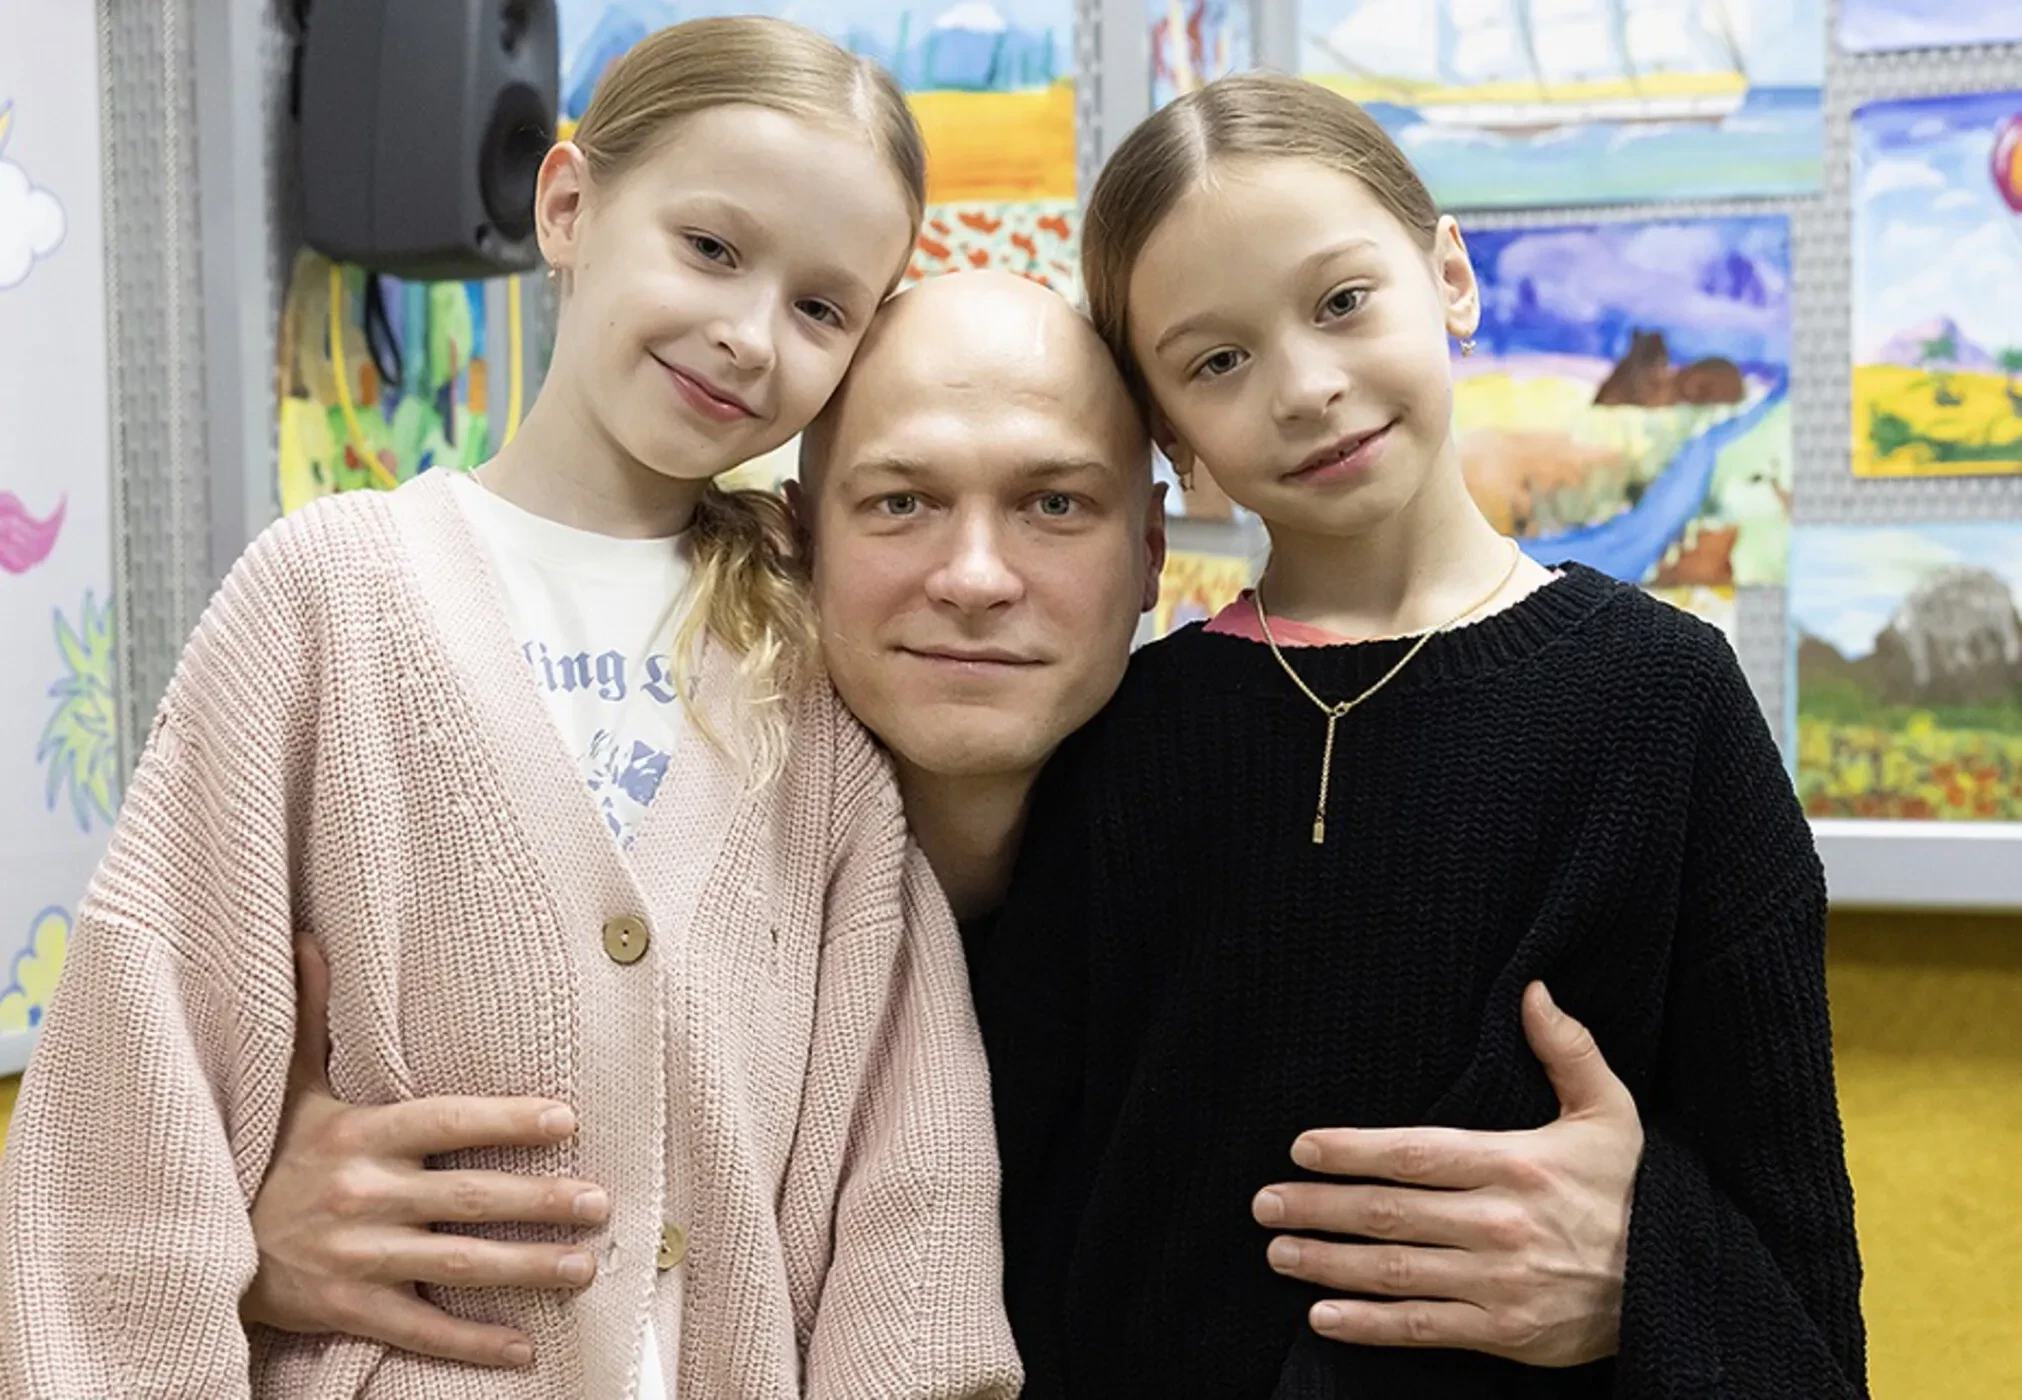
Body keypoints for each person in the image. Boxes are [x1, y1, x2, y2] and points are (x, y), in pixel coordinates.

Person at [237, 270, 1652, 1380]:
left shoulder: (1316, 841)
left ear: (1151, 551)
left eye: (1053, 504)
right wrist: (249, 1231)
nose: (975, 577)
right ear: (801, 537)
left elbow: (1742, 1232)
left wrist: (1643, 1270)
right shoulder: (564, 836)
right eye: (902, 501)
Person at [0, 19, 1021, 1398]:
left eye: (821, 309)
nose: (747, 333)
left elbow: (909, 1179)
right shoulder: (327, 597)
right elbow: (133, 1094)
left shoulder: (815, 656)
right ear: (569, 206)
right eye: (711, 248)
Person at [973, 69, 1866, 1398]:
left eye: (1341, 302)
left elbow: (1802, 1296)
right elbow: (1006, 1240)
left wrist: (1642, 1274)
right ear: (1167, 427)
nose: (1305, 386)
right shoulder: (1114, 744)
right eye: (1217, 360)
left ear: (1448, 275)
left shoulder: (1665, 703)